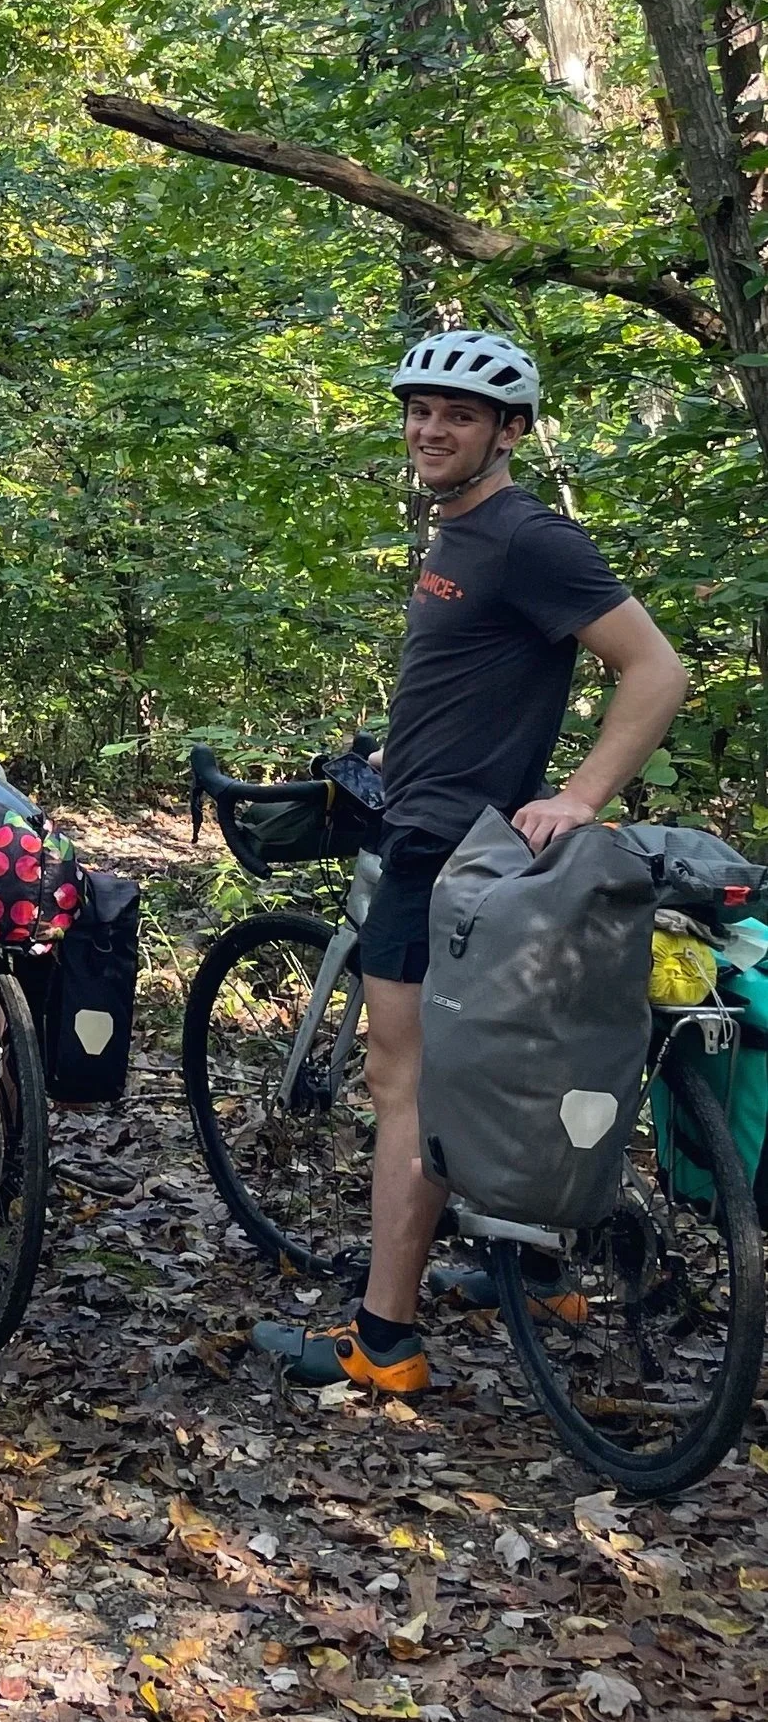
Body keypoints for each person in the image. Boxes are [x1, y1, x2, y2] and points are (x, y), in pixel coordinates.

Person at [252, 329, 688, 1394]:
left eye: (457, 414)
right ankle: (537, 1272)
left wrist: (578, 796)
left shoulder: (525, 537)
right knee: (502, 1063)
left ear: (510, 430)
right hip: (432, 824)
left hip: (448, 856)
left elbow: (655, 670)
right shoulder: (459, 534)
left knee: (404, 1082)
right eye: (419, 410)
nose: (430, 429)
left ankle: (381, 1341)